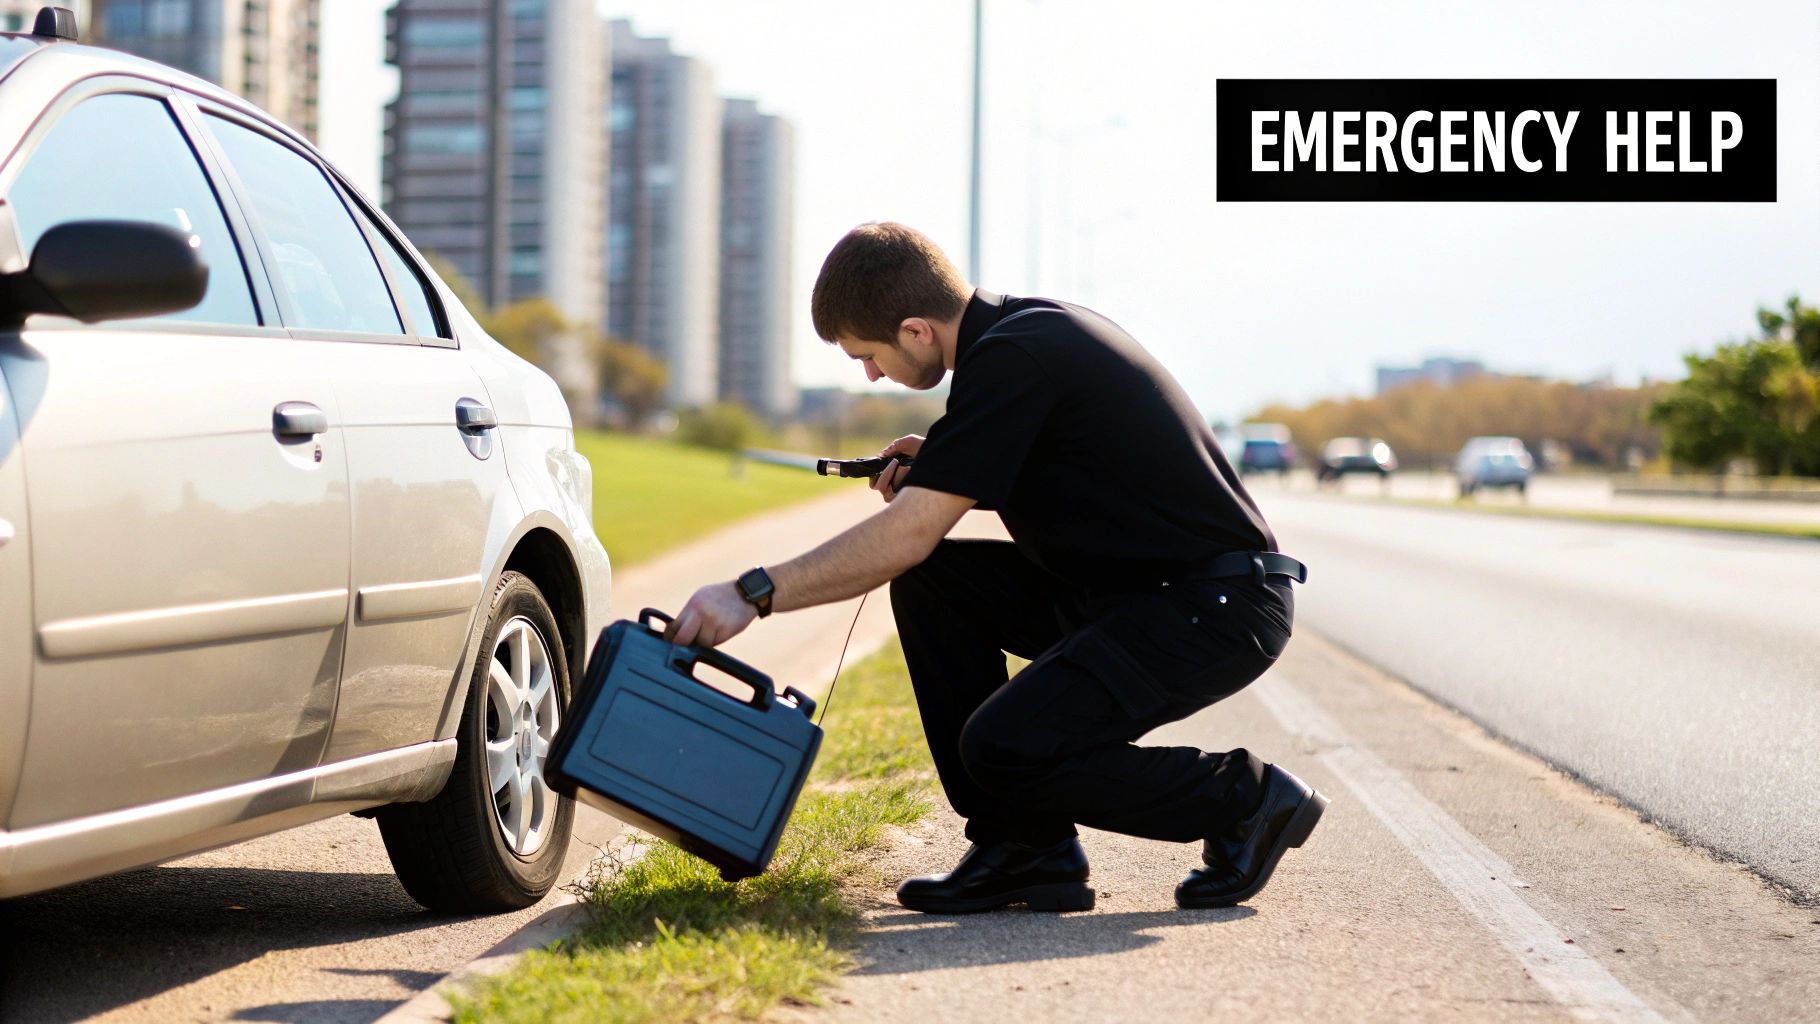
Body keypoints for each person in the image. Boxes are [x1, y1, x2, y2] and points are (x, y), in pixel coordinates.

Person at [667, 221, 1326, 913]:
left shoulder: (1018, 357)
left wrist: (754, 593)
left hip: (1212, 608)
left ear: (917, 331)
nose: (868, 375)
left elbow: (905, 535)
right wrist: (951, 465)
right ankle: (1024, 849)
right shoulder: (1017, 341)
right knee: (935, 585)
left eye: (868, 355)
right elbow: (1068, 480)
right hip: (1140, 595)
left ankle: (1245, 799)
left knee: (1006, 746)